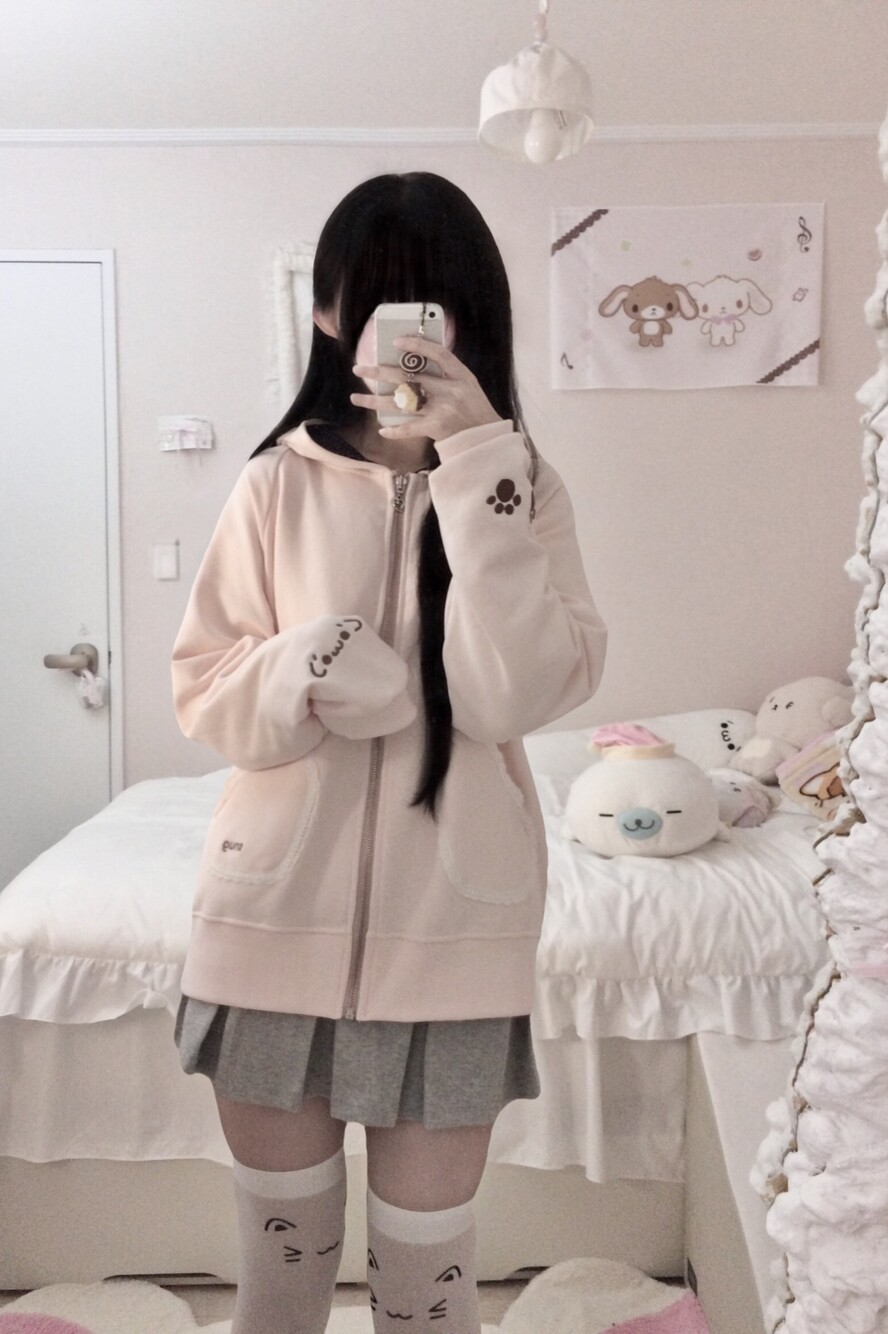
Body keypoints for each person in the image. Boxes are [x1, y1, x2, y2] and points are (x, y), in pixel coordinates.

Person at [171, 171, 606, 1334]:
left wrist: (476, 467)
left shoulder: (521, 489)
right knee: (279, 1293)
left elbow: (510, 695)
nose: (406, 327)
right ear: (328, 314)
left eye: (431, 299)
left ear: (472, 318)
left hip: (455, 934)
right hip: (268, 921)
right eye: (373, 298)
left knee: (427, 1302)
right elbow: (204, 687)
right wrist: (304, 662)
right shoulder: (274, 482)